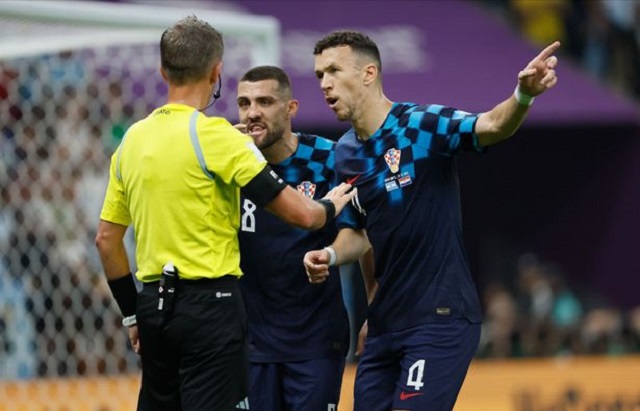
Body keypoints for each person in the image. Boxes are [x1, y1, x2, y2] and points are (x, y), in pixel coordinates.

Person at [94, 17, 355, 411]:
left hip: (153, 306)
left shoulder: (132, 138)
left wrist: (132, 315)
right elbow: (303, 215)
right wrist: (330, 204)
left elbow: (106, 241)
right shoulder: (218, 137)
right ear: (217, 72)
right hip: (211, 307)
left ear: (163, 72)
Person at [304, 30, 560, 410]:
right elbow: (359, 234)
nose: (324, 83)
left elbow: (492, 125)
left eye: (333, 71)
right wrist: (329, 255)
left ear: (369, 73)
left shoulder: (421, 124)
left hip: (439, 318)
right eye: (319, 75)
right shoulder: (345, 154)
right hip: (385, 325)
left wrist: (523, 95)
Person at [233, 65, 362, 411]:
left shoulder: (329, 158)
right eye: (244, 103)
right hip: (249, 343)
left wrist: (329, 255)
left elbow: (359, 233)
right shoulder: (229, 165)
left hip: (315, 340)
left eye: (264, 102)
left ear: (291, 108)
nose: (252, 113)